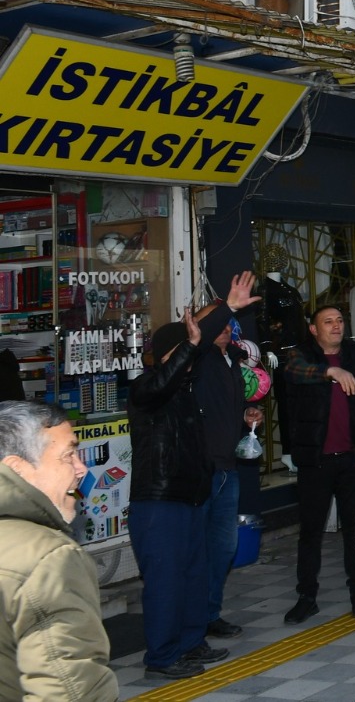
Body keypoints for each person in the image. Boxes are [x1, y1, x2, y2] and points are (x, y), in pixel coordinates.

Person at [128, 275, 256, 679]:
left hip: (191, 497)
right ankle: (162, 658)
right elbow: (169, 374)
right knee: (166, 581)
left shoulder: (186, 392)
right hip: (159, 502)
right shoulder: (146, 390)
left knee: (194, 574)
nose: (189, 356)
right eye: (182, 350)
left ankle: (189, 642)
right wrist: (225, 310)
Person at [0, 400, 117, 700]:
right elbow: (69, 688)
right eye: (68, 455)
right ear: (16, 468)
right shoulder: (48, 559)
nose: (82, 469)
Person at [281, 304, 355, 624]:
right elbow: (293, 372)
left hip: (354, 458)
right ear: (314, 329)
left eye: (340, 320)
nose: (336, 326)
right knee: (310, 531)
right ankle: (306, 596)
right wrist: (331, 372)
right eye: (328, 322)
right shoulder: (300, 356)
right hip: (315, 460)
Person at [191, 289, 270, 643]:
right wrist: (222, 308)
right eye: (216, 322)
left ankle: (210, 613)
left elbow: (227, 408)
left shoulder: (232, 361)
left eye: (228, 322)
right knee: (199, 547)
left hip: (228, 468)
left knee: (223, 547)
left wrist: (247, 415)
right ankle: (195, 618)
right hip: (201, 468)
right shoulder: (198, 358)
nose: (224, 327)